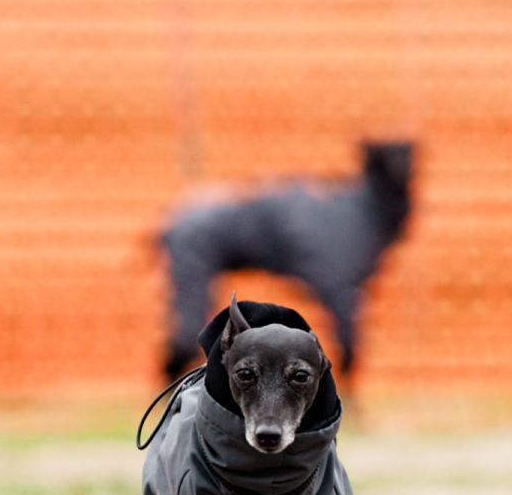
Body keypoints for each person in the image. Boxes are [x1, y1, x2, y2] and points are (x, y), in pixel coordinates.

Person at [157, 140, 415, 388]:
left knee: (193, 333)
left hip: (198, 222)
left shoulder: (343, 216)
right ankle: (171, 391)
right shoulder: (347, 223)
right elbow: (341, 293)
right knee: (188, 334)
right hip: (197, 232)